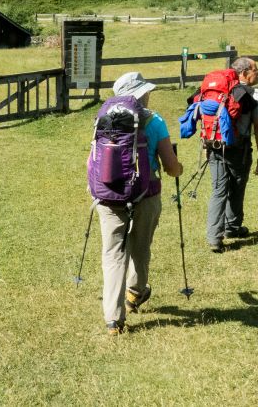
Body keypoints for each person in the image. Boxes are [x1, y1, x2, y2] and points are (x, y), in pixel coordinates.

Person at [97, 72, 183, 335]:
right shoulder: (155, 121)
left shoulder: (103, 118)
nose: (149, 94)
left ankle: (113, 319)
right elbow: (170, 167)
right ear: (140, 94)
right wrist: (178, 168)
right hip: (146, 194)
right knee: (140, 247)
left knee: (112, 255)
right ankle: (135, 293)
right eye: (146, 90)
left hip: (109, 195)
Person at [205, 57, 258, 253]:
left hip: (214, 146)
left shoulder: (216, 91)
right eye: (256, 70)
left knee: (218, 191)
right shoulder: (254, 95)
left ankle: (215, 238)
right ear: (244, 73)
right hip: (238, 149)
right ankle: (232, 227)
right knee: (237, 188)